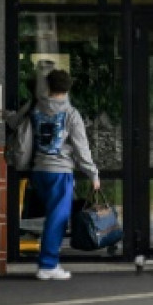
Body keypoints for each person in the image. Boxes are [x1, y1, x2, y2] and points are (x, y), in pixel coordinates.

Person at [27, 69, 99, 280]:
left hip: (39, 170)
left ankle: (48, 262)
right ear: (68, 88)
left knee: (52, 217)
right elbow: (81, 149)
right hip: (60, 172)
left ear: (48, 86)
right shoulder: (71, 114)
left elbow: (15, 123)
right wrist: (93, 174)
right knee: (57, 219)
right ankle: (48, 264)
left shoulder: (36, 107)